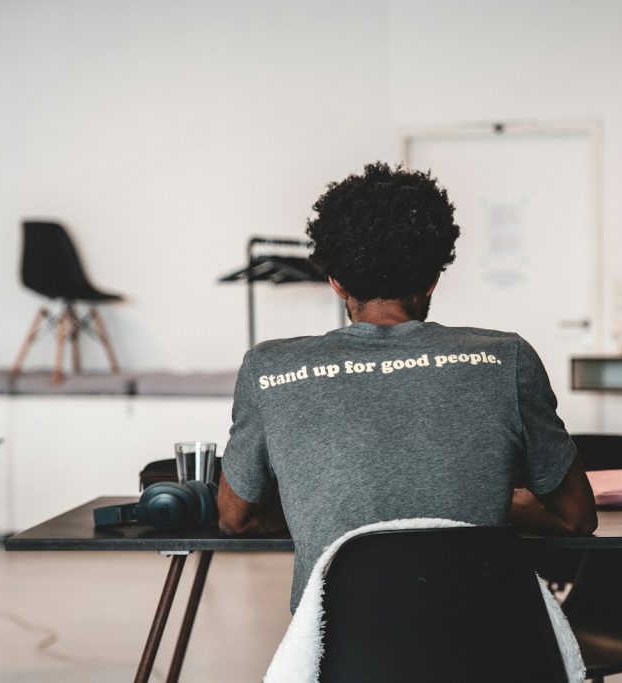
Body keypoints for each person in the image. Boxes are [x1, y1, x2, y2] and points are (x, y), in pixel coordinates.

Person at [218, 162, 597, 612]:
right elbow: (575, 516)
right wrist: (480, 499)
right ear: (433, 277)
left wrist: (326, 507)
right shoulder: (506, 358)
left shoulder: (269, 368)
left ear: (336, 282)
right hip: (483, 645)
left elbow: (235, 518)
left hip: (340, 653)